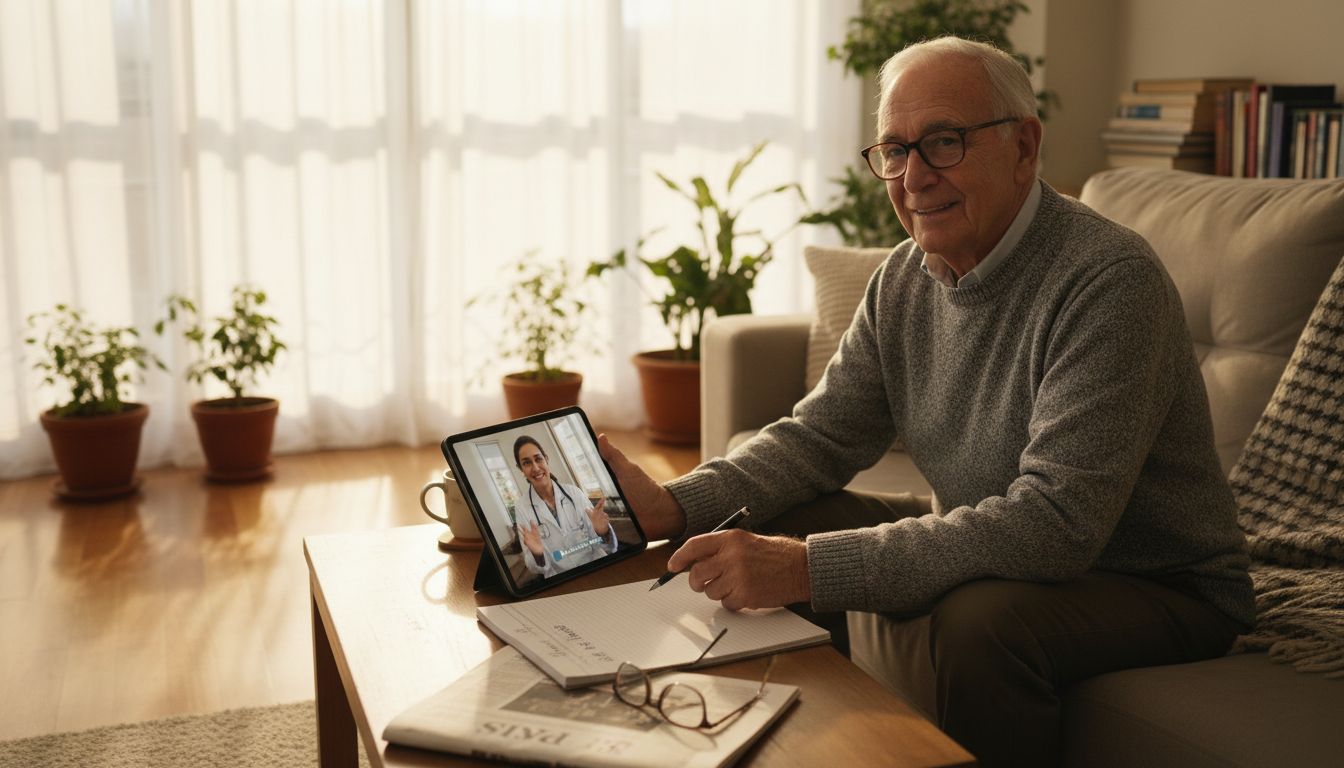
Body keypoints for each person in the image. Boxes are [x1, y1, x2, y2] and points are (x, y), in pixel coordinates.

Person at [597, 36, 1254, 768]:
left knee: (978, 623)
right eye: (894, 149)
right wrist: (673, 504)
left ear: (1024, 147)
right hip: (1013, 542)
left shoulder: (1108, 281)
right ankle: (801, 750)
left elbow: (1056, 525)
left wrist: (809, 567)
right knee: (778, 517)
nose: (913, 176)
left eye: (943, 142)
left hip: (1156, 582)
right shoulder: (905, 277)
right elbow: (819, 436)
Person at [513, 435, 618, 578]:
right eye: (527, 463)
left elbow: (609, 547)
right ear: (521, 469)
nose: (536, 468)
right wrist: (537, 555)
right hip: (561, 579)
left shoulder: (574, 493)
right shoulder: (522, 508)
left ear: (546, 459)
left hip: (596, 568)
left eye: (538, 459)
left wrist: (602, 532)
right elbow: (535, 567)